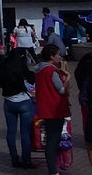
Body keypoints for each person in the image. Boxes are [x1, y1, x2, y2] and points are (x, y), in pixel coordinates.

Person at [0, 47, 36, 169]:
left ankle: (14, 158)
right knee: (25, 133)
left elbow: (0, 84)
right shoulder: (21, 67)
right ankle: (26, 160)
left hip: (8, 101)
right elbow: (32, 79)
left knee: (11, 132)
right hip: (23, 101)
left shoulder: (1, 67)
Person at [33, 44, 71, 175]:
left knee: (51, 139)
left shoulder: (39, 70)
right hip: (55, 108)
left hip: (45, 108)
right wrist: (67, 79)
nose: (60, 57)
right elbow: (61, 89)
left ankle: (53, 168)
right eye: (58, 54)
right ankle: (53, 170)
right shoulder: (51, 70)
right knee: (53, 141)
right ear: (51, 56)